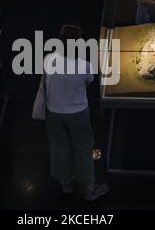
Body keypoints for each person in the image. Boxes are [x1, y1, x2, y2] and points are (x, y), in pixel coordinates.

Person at [42, 25, 109, 202]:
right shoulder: (84, 66)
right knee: (84, 149)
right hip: (78, 112)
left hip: (53, 112)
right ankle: (90, 189)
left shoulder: (49, 59)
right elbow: (88, 82)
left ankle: (66, 184)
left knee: (59, 148)